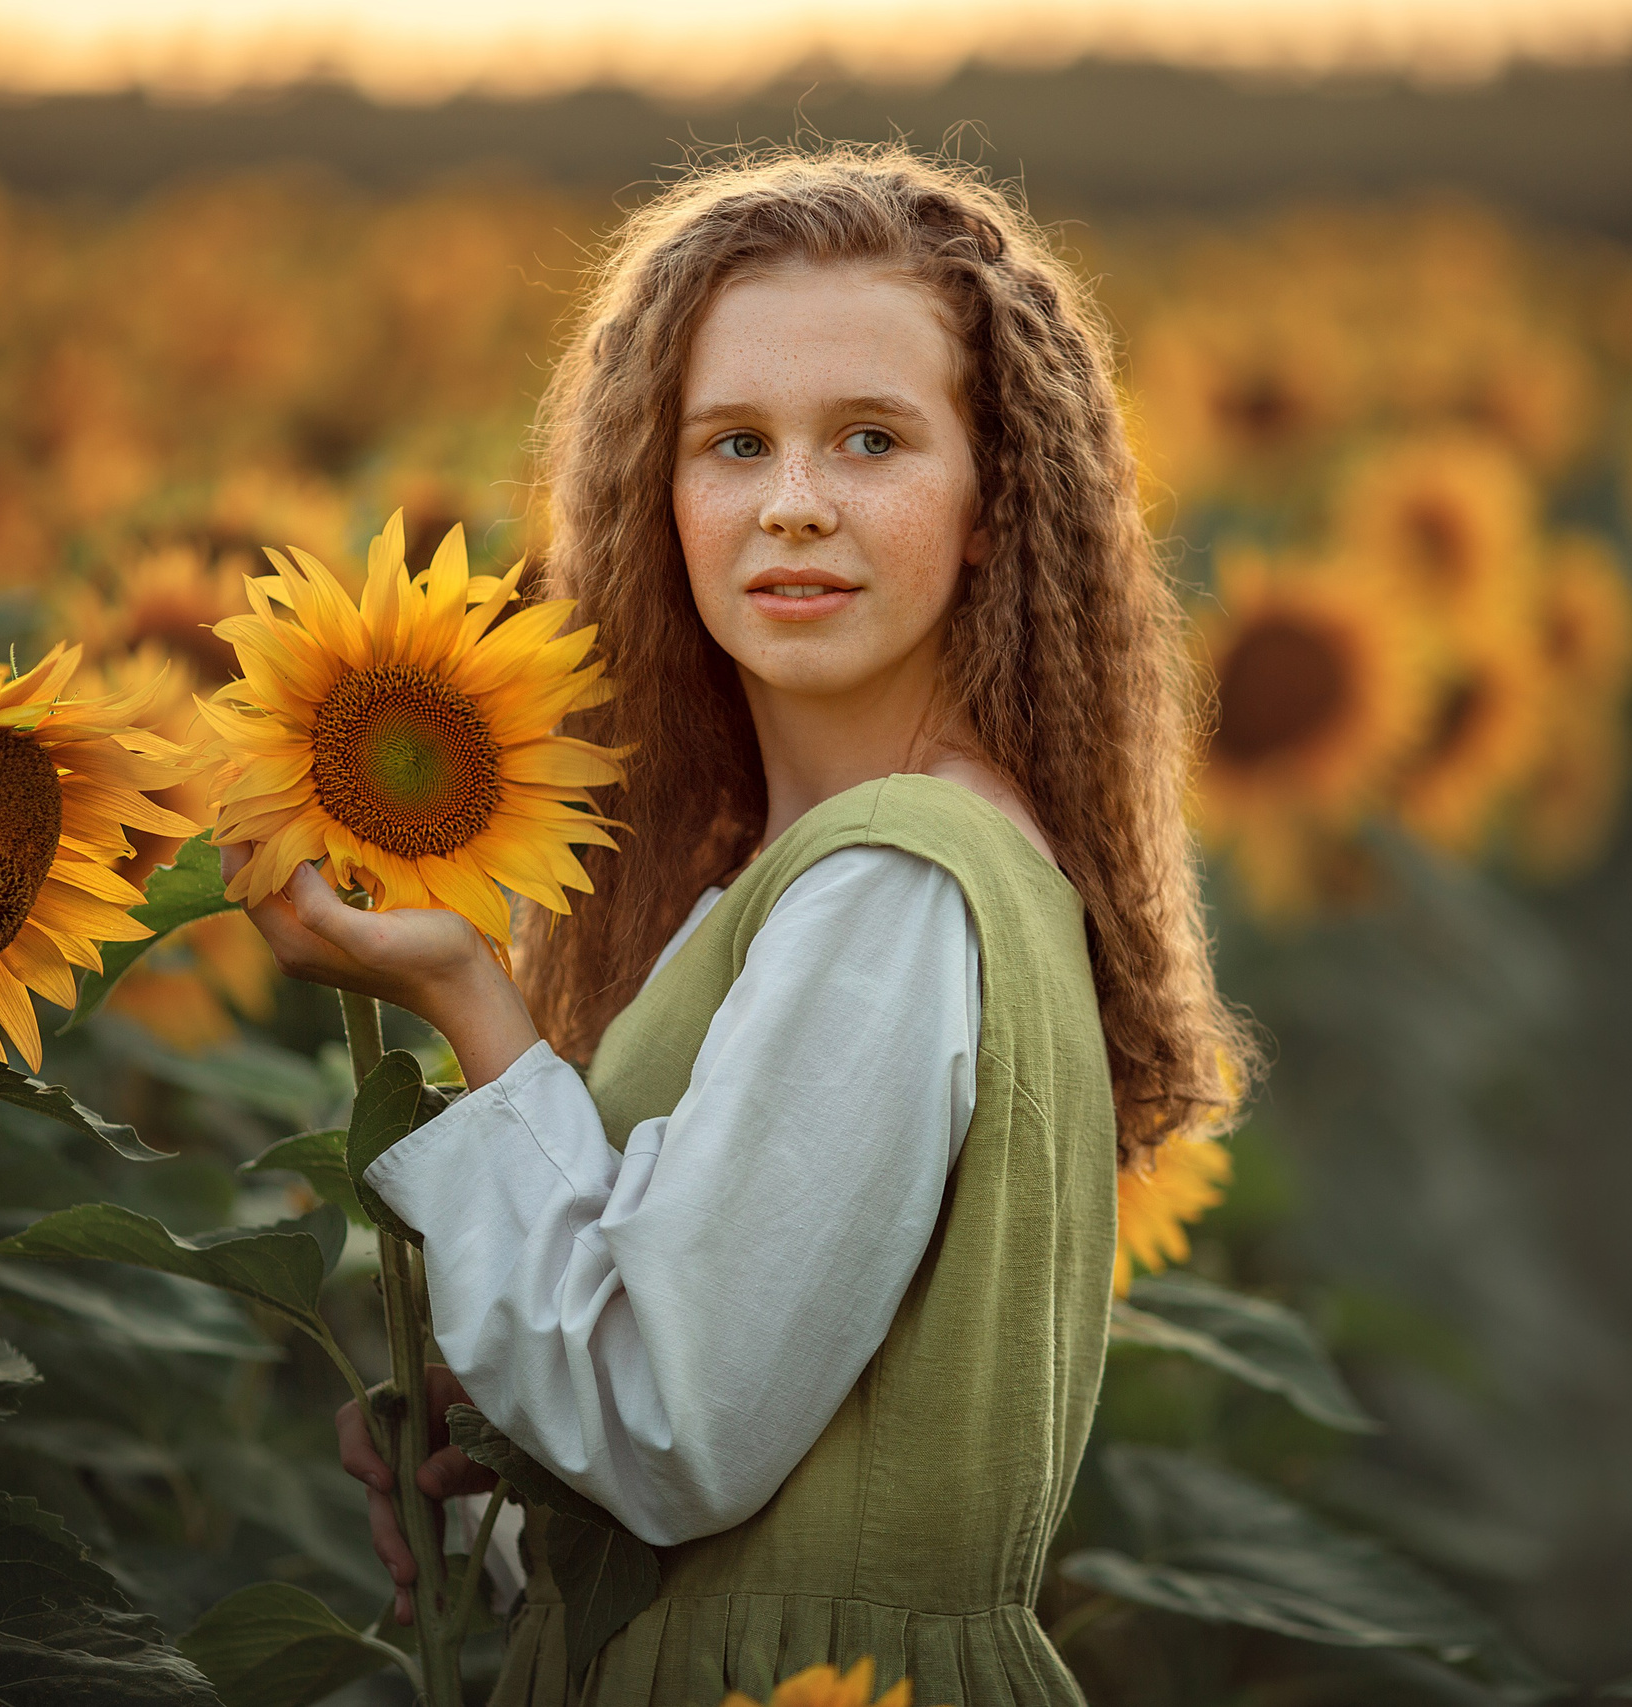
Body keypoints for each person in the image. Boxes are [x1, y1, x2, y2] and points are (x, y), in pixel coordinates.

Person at [231, 146, 1252, 1706]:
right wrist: (501, 1461)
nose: (792, 505)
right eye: (733, 444)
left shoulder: (889, 891)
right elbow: (749, 1451)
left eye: (870, 440)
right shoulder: (845, 868)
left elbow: (671, 1426)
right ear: (666, 494)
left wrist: (473, 1009)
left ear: (995, 505)